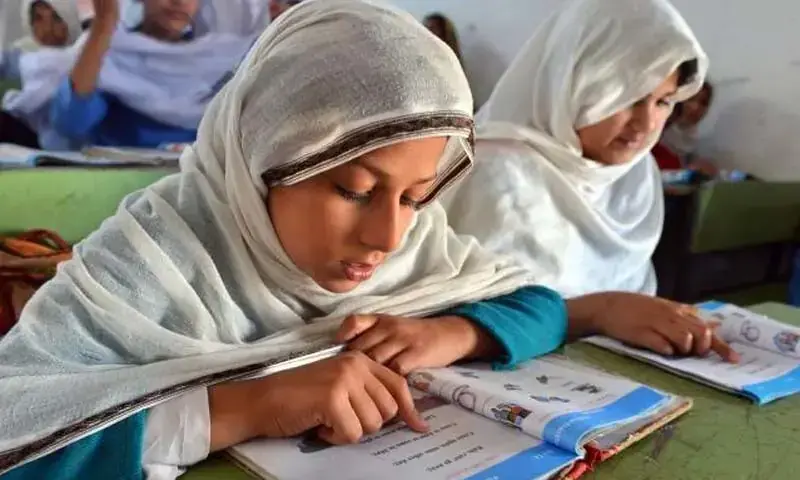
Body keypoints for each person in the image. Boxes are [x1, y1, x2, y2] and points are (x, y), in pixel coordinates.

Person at [0, 2, 733, 479]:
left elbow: (536, 301)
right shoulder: (158, 259)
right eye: (354, 190)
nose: (388, 235)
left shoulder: (416, 247)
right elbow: (17, 431)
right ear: (261, 156)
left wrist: (450, 331)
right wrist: (245, 407)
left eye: (417, 197)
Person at [443, 0, 740, 360]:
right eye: (629, 98)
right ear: (573, 81)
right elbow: (459, 323)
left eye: (664, 102)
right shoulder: (494, 170)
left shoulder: (634, 174)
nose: (646, 125)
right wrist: (604, 312)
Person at [47, 0, 254, 148]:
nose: (178, 2)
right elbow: (71, 122)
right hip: (117, 189)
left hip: (195, 190)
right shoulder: (111, 51)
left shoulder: (219, 59)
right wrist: (104, 24)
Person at [0, 0, 83, 148]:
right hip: (24, 124)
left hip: (52, 138)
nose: (47, 28)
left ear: (70, 18)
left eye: (56, 18)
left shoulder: (82, 55)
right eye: (38, 18)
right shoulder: (27, 53)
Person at [654, 81, 718, 173]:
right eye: (691, 99)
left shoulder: (692, 140)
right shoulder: (654, 135)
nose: (695, 107)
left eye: (703, 103)